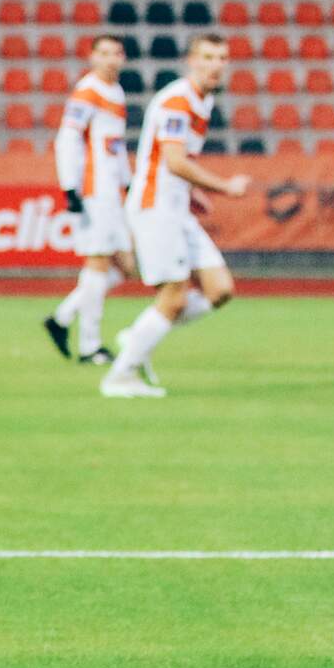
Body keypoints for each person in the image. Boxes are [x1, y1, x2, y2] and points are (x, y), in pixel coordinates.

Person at [102, 34, 249, 398]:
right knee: (174, 296)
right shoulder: (178, 101)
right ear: (191, 61)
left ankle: (139, 337)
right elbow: (174, 161)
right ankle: (120, 376)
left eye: (222, 58)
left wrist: (193, 192)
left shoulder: (203, 100)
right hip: (156, 207)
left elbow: (172, 160)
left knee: (220, 290)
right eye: (208, 57)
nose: (216, 65)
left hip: (176, 207)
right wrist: (224, 186)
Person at [44, 35, 135, 365]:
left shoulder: (116, 92)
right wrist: (70, 187)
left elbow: (115, 145)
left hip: (111, 190)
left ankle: (62, 317)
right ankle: (89, 346)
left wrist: (128, 183)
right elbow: (67, 138)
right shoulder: (88, 91)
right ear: (92, 57)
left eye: (116, 53)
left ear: (123, 58)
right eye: (104, 53)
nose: (110, 59)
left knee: (127, 266)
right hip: (92, 189)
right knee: (98, 263)